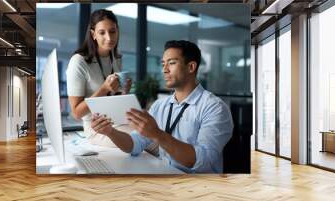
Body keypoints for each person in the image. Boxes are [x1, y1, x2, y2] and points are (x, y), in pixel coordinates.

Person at [91, 40, 233, 173]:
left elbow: (203, 161)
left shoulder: (215, 108)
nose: (164, 69)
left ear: (191, 67)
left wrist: (156, 133)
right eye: (163, 63)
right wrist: (110, 132)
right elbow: (134, 145)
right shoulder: (160, 106)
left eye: (171, 63)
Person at [66, 9, 132, 146]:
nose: (109, 37)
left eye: (112, 31)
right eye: (102, 32)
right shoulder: (78, 61)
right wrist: (103, 89)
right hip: (96, 128)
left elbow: (114, 100)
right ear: (93, 34)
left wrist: (124, 91)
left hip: (117, 120)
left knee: (152, 131)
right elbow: (76, 113)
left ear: (117, 31)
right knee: (143, 139)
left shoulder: (116, 58)